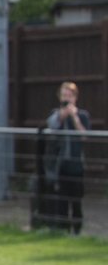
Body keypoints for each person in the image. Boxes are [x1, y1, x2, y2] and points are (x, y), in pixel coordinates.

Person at [42, 81, 89, 235]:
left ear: (75, 98)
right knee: (61, 200)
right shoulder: (55, 114)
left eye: (69, 96)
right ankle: (63, 230)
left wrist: (74, 116)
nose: (67, 99)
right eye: (64, 96)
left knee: (76, 201)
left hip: (76, 165)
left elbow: (84, 136)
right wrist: (63, 114)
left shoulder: (82, 115)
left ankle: (77, 230)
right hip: (59, 165)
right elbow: (53, 126)